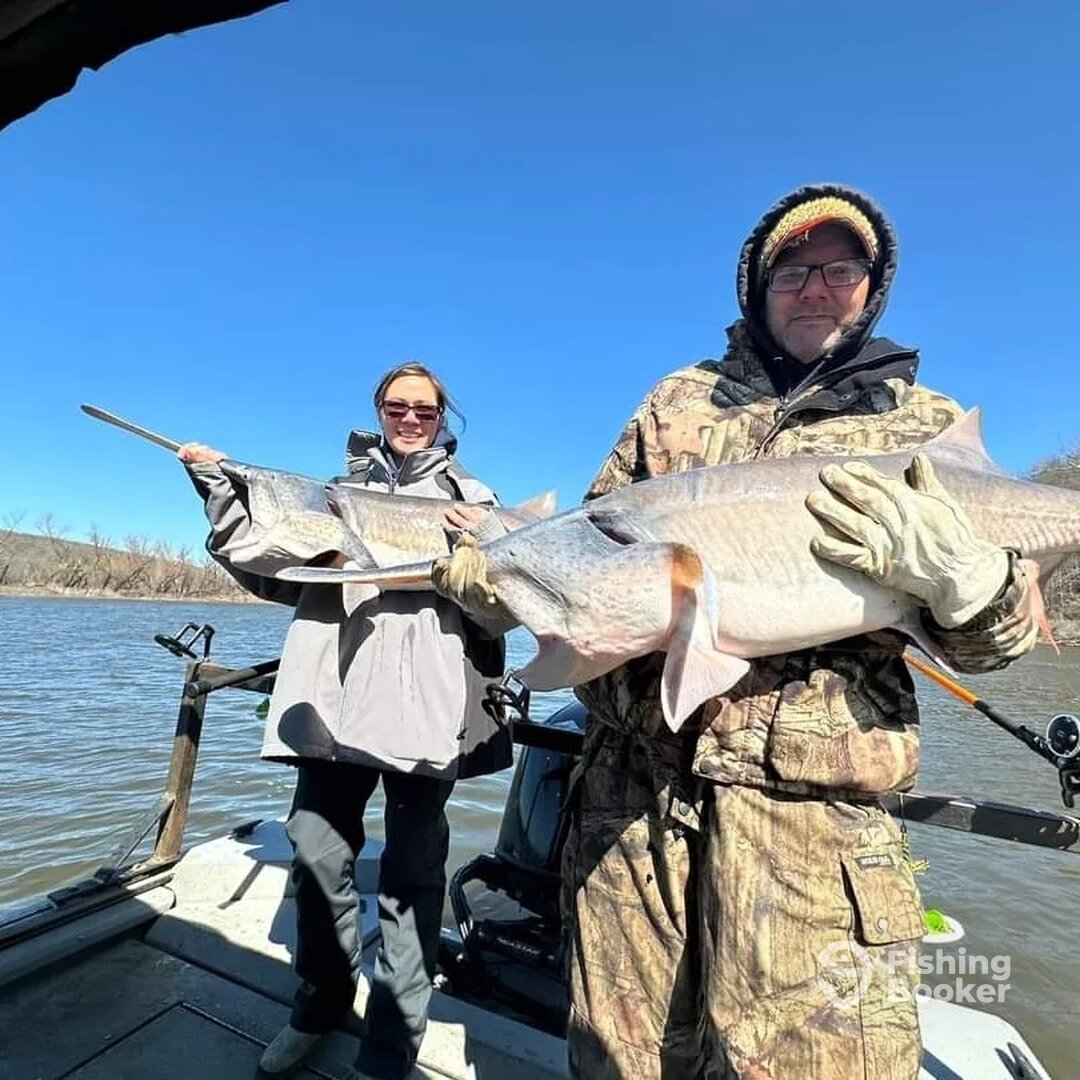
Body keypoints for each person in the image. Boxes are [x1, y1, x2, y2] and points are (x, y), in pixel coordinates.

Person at [433, 185, 1040, 1079]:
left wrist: (973, 586)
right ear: (758, 286)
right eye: (793, 271)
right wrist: (502, 591)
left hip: (813, 829)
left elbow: (995, 645)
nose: (816, 288)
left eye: (840, 269)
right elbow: (589, 557)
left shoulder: (922, 425)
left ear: (872, 286)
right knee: (619, 1061)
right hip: (632, 809)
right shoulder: (677, 400)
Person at [179, 362, 513, 1080]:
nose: (410, 418)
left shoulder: (476, 501)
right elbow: (274, 575)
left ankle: (389, 1050)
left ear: (443, 418)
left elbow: (503, 609)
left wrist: (479, 565)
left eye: (424, 409)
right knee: (316, 854)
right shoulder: (334, 494)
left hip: (424, 709)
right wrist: (222, 495)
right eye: (397, 406)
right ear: (379, 410)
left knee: (411, 879)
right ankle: (318, 1005)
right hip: (331, 703)